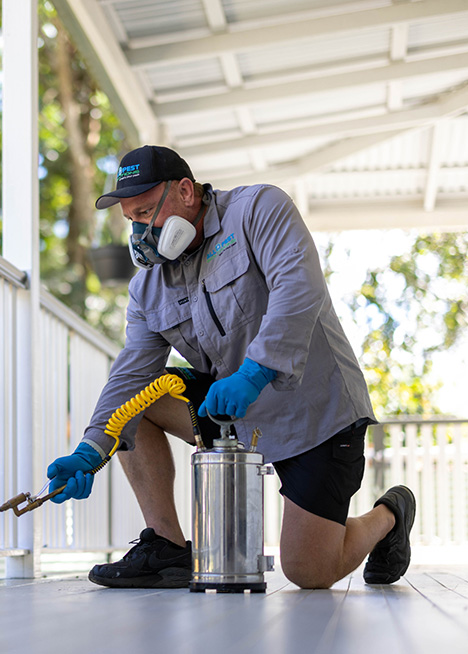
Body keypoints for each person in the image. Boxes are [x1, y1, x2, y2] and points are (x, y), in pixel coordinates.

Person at [45, 145, 416, 590]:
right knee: (137, 403)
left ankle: (389, 516)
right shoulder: (147, 286)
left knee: (309, 572)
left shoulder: (259, 209)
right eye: (132, 221)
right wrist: (93, 445)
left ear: (185, 191)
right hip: (233, 415)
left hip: (315, 413)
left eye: (147, 213)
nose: (141, 232)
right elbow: (132, 373)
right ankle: (167, 547)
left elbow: (298, 288)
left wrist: (257, 370)